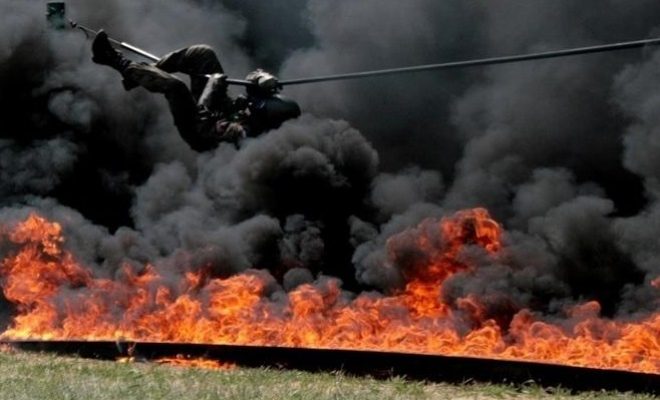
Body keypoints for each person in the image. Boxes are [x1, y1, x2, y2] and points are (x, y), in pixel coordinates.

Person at [91, 30, 300, 152]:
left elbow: (203, 122)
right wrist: (262, 78)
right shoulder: (262, 109)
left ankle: (115, 60)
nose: (252, 103)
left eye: (257, 107)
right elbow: (252, 84)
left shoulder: (243, 135)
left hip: (200, 130)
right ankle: (139, 75)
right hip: (220, 108)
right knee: (203, 54)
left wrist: (212, 87)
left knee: (176, 87)